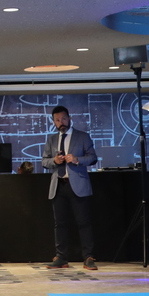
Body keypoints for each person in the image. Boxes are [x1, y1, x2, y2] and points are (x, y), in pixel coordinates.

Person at [45, 104, 101, 271]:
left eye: (63, 118)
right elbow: (44, 161)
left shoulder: (82, 137)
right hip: (58, 185)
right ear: (53, 122)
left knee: (84, 222)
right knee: (59, 223)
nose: (61, 122)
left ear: (69, 118)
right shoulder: (51, 139)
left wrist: (76, 160)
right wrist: (54, 161)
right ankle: (61, 257)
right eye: (57, 120)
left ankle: (88, 258)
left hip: (78, 184)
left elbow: (92, 158)